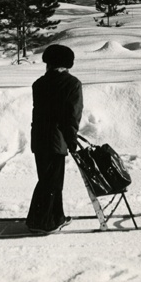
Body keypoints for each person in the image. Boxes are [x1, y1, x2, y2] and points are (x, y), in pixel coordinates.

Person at [26, 43, 83, 234]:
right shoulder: (72, 84)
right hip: (57, 140)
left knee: (47, 179)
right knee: (53, 182)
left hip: (39, 139)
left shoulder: (39, 84)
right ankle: (44, 222)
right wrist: (72, 139)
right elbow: (71, 115)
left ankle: (55, 216)